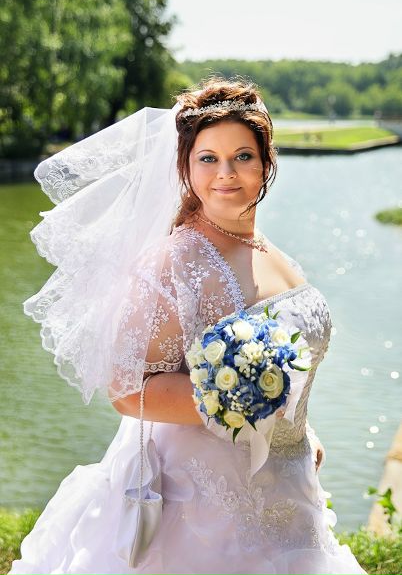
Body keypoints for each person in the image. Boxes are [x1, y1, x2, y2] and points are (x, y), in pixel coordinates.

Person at [10, 78, 368, 575]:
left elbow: (286, 370)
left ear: (267, 161)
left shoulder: (270, 251)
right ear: (186, 165)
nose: (226, 173)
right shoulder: (175, 264)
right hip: (205, 511)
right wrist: (240, 403)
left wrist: (298, 429)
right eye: (208, 158)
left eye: (243, 156)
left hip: (289, 485)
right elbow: (127, 390)